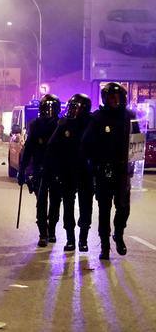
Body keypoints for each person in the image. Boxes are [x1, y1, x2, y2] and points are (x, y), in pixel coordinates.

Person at [81, 82, 139, 260]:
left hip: (123, 171)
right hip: (104, 170)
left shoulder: (130, 117)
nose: (115, 100)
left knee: (123, 208)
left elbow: (137, 142)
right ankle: (104, 246)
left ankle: (119, 234)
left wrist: (134, 164)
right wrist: (93, 163)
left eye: (118, 97)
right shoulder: (97, 118)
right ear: (105, 99)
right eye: (111, 97)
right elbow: (86, 143)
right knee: (104, 210)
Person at [44, 94, 93, 252]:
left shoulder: (92, 123)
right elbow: (52, 146)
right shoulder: (64, 123)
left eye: (75, 108)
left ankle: (83, 240)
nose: (72, 111)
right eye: (70, 107)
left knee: (86, 207)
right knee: (68, 206)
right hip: (68, 171)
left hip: (86, 172)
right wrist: (56, 170)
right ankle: (70, 239)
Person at [17, 94, 61, 247]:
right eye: (46, 108)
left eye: (51, 108)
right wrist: (22, 170)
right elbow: (28, 149)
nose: (48, 111)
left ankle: (52, 229)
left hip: (56, 169)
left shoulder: (61, 125)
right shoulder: (35, 125)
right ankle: (43, 233)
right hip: (39, 169)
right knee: (41, 202)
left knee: (55, 202)